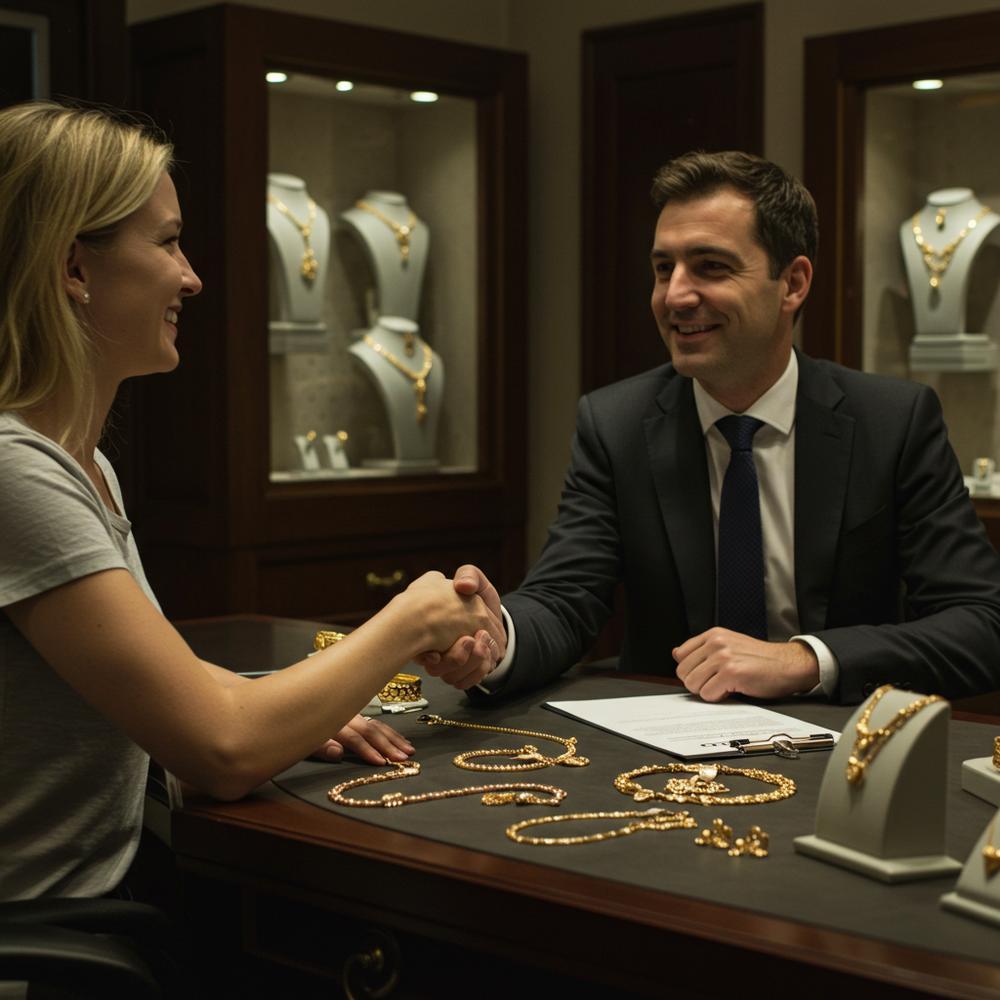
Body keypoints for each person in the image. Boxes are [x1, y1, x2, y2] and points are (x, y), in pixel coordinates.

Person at [0, 100, 504, 901]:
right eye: (167, 242)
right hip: (64, 930)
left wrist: (295, 709)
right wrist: (408, 621)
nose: (191, 277)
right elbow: (222, 749)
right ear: (74, 267)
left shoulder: (80, 464)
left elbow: (171, 685)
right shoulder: (15, 474)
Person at [424, 150, 1000, 705]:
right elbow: (566, 597)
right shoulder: (616, 423)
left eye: (711, 267)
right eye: (662, 268)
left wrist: (806, 660)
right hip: (659, 756)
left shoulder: (893, 422)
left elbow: (981, 623)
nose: (675, 295)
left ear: (793, 284)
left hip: (842, 747)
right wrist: (497, 640)